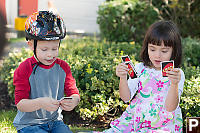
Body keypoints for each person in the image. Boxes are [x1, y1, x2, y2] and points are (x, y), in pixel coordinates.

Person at [102, 20, 184, 132]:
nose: (157, 55)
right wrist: (122, 78)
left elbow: (170, 107)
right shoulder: (140, 68)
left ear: (174, 51)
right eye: (152, 49)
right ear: (147, 48)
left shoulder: (176, 74)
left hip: (162, 125)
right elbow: (126, 98)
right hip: (136, 120)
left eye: (164, 51)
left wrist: (174, 84)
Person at [13, 11, 80, 133]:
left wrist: (74, 101)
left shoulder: (63, 67)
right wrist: (40, 103)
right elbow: (20, 104)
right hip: (29, 125)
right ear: (31, 45)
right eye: (44, 49)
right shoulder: (24, 69)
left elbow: (74, 93)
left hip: (55, 122)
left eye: (54, 49)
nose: (50, 54)